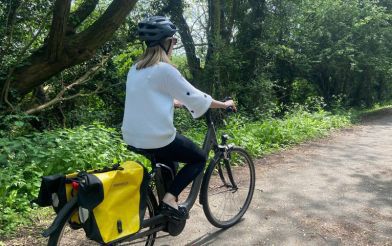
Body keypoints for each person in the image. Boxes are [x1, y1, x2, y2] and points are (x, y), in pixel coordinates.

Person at [121, 16, 236, 220]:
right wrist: (224, 104)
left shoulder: (135, 69)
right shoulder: (165, 70)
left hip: (132, 137)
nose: (173, 45)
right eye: (173, 41)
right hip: (156, 138)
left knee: (170, 161)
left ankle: (162, 211)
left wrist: (175, 102)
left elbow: (147, 97)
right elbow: (197, 96)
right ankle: (170, 200)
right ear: (166, 42)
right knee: (199, 158)